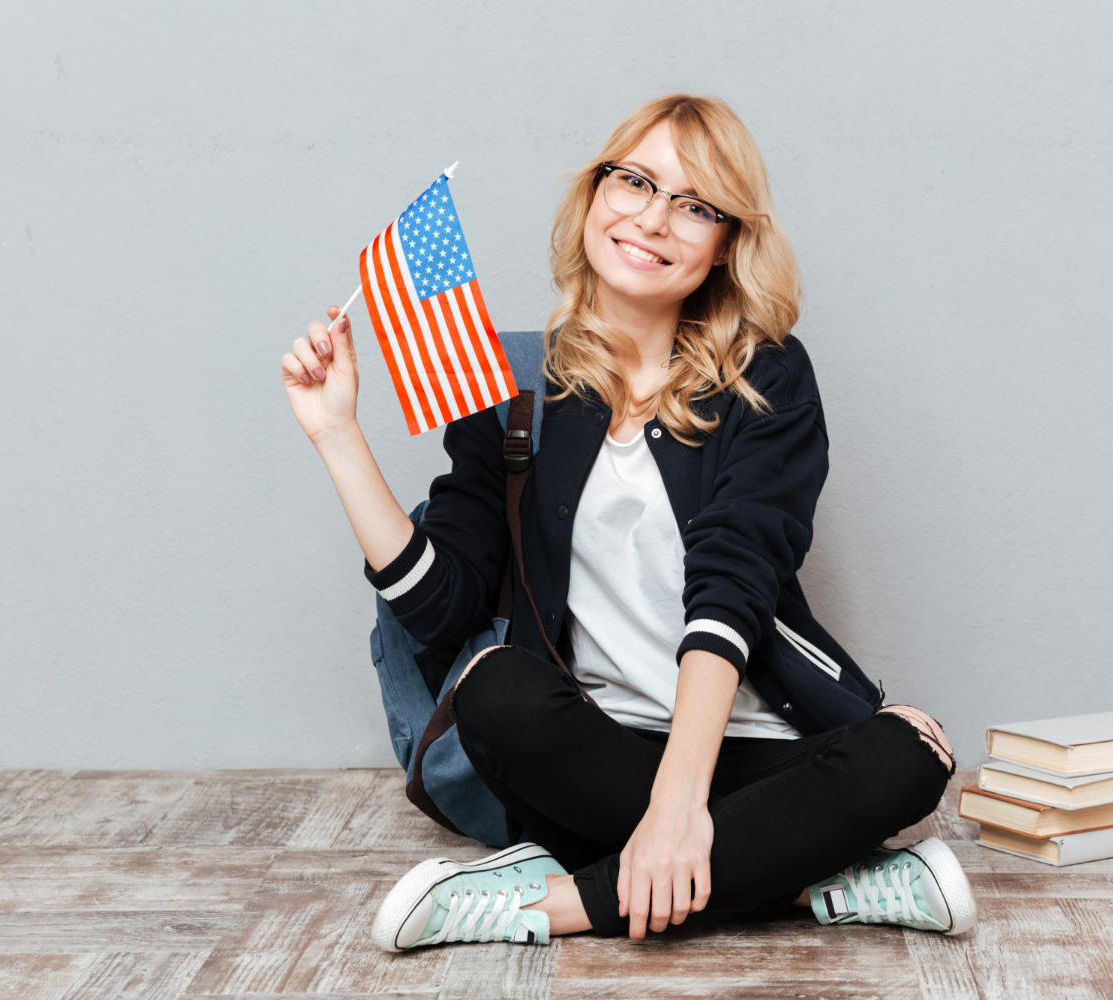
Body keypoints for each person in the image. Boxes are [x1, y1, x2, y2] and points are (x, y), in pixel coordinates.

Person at [281, 94, 977, 948]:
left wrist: (681, 805)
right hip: (598, 750)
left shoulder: (768, 377)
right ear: (594, 196)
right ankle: (817, 883)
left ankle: (544, 907)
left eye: (695, 205)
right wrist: (338, 435)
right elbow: (439, 608)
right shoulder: (514, 391)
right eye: (637, 182)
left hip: (743, 746)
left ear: (726, 243)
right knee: (493, 692)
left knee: (909, 753)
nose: (655, 218)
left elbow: (734, 579)